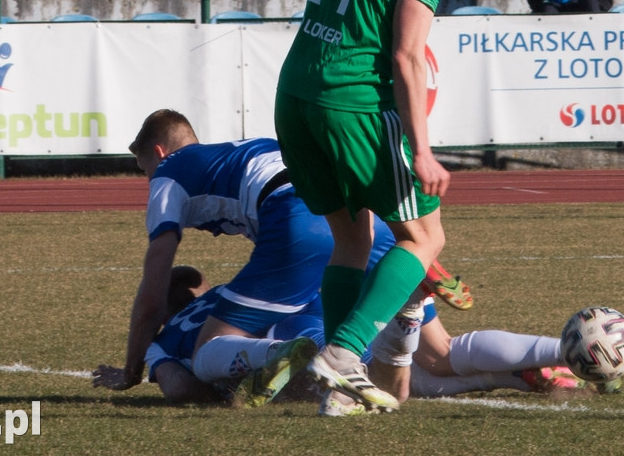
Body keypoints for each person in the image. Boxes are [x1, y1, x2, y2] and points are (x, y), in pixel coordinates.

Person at [143, 0, 513, 415]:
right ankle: (345, 353)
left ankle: (339, 389)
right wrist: (423, 150)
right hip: (353, 103)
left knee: (352, 238)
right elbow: (408, 56)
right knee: (424, 239)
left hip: (295, 97)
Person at [92, 110, 474, 409]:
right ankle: (524, 365)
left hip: (296, 222)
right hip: (356, 213)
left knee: (208, 348)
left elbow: (154, 284)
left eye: (145, 170)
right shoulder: (243, 149)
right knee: (438, 353)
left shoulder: (169, 174)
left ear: (158, 153)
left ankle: (287, 353)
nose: (149, 182)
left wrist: (131, 369)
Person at [144, 263, 603, 412]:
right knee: (443, 355)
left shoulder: (164, 339)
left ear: (164, 309)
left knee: (402, 387)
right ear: (197, 288)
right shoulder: (227, 293)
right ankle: (558, 354)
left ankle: (408, 312)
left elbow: (182, 386)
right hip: (358, 291)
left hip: (309, 336)